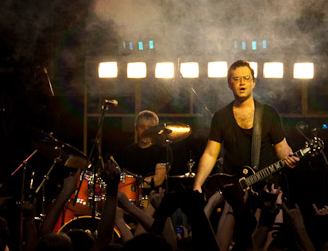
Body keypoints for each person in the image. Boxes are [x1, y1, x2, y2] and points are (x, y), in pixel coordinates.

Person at [192, 60, 299, 203]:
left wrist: (289, 157)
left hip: (264, 189)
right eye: (236, 79)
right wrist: (197, 185)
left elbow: (282, 147)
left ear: (253, 82)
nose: (242, 82)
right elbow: (210, 154)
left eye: (246, 78)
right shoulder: (221, 116)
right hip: (233, 191)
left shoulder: (268, 113)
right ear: (229, 84)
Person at [119, 110, 172, 196]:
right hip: (131, 198)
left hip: (155, 200)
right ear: (136, 128)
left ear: (156, 130)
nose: (146, 131)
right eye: (142, 127)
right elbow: (124, 177)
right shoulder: (128, 151)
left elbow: (158, 179)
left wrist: (133, 186)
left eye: (150, 127)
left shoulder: (163, 150)